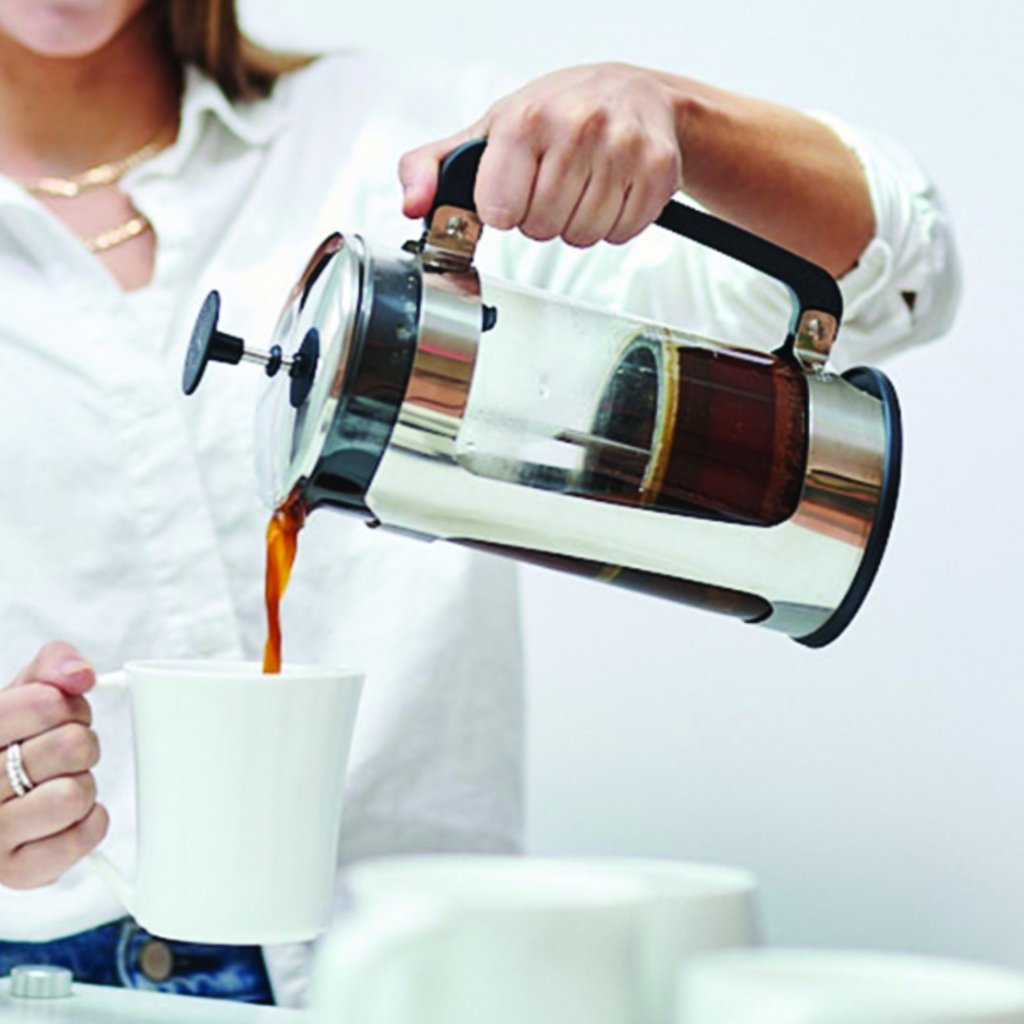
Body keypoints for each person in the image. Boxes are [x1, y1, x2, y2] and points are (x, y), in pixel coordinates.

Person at [0, 0, 959, 1008]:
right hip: (49, 981)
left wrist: (679, 116)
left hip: (417, 972)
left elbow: (904, 277)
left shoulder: (397, 145)